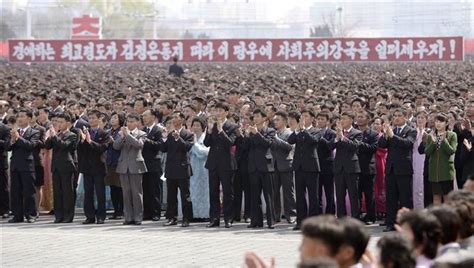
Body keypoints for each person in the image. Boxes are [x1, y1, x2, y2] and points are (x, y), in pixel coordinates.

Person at [378, 108, 417, 232]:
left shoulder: (411, 130)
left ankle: (407, 224)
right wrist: (385, 133)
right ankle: (391, 223)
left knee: (405, 198)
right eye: (394, 116)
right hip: (391, 169)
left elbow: (407, 144)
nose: (396, 118)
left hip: (404, 169)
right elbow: (382, 144)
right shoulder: (391, 130)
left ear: (405, 117)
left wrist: (392, 136)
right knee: (391, 197)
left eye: (399, 115)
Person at [204, 102, 238, 228]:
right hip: (213, 162)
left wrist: (220, 130)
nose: (217, 112)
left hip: (227, 163)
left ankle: (228, 218)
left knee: (228, 192)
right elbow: (207, 143)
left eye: (220, 110)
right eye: (216, 110)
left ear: (226, 112)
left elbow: (230, 143)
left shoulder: (232, 126)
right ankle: (214, 218)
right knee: (213, 192)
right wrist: (208, 130)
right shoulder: (211, 125)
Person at [288, 110, 322, 230]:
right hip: (299, 167)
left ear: (312, 118)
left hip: (312, 167)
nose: (303, 118)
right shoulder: (299, 130)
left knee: (313, 196)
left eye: (306, 116)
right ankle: (300, 221)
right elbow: (290, 140)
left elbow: (314, 141)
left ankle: (313, 223)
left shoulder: (316, 130)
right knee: (300, 195)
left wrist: (303, 130)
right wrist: (298, 129)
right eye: (302, 116)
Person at [113, 113, 148, 225]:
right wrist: (123, 137)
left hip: (136, 166)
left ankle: (138, 217)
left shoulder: (142, 133)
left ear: (137, 122)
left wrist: (128, 136)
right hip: (123, 166)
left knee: (137, 193)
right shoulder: (121, 133)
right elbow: (115, 146)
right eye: (128, 122)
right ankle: (128, 217)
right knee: (126, 193)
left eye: (132, 121)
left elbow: (139, 145)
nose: (130, 124)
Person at [44, 112, 78, 223]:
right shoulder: (56, 135)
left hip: (66, 166)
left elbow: (64, 146)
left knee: (67, 192)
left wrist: (54, 136)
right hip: (56, 167)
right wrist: (51, 136)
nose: (59, 124)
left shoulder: (72, 135)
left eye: (61, 122)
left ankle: (68, 215)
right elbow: (47, 146)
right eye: (57, 122)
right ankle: (59, 215)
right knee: (57, 192)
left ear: (68, 123)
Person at [161, 112, 194, 227]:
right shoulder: (170, 134)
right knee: (171, 195)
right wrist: (164, 138)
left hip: (183, 168)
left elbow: (187, 147)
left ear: (182, 120)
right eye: (172, 118)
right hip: (171, 169)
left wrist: (178, 138)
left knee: (185, 195)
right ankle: (172, 217)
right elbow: (163, 149)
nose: (173, 120)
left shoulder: (188, 134)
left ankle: (186, 218)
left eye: (176, 117)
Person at [8, 108, 40, 223]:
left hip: (27, 166)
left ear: (29, 118)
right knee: (15, 191)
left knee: (29, 191)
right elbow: (7, 147)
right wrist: (12, 140)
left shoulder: (34, 132)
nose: (20, 119)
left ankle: (31, 214)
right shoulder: (13, 131)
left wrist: (18, 138)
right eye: (19, 116)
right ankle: (17, 215)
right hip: (15, 165)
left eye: (22, 116)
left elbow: (31, 145)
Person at [77, 110, 110, 224]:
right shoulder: (85, 132)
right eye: (89, 118)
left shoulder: (104, 133)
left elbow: (102, 148)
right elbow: (81, 150)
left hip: (99, 167)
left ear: (99, 119)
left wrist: (90, 141)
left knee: (100, 193)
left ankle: (101, 216)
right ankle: (89, 216)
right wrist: (82, 141)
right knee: (88, 193)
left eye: (93, 118)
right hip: (87, 167)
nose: (91, 120)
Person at [247, 108, 276, 229]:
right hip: (253, 166)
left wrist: (256, 134)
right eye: (254, 117)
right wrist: (246, 135)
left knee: (268, 195)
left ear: (264, 118)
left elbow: (267, 144)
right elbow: (246, 146)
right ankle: (256, 221)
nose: (255, 119)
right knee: (254, 195)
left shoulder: (270, 130)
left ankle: (271, 221)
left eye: (258, 116)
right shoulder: (250, 131)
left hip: (266, 166)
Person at [331, 111, 363, 219]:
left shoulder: (357, 133)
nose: (342, 121)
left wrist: (343, 138)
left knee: (353, 195)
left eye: (344, 118)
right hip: (339, 168)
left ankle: (355, 218)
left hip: (351, 168)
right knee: (340, 196)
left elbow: (354, 146)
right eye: (341, 119)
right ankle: (341, 218)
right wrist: (337, 137)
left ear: (351, 120)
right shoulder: (338, 132)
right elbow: (330, 146)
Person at [425, 113, 457, 205]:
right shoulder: (431, 135)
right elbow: (427, 152)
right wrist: (433, 143)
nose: (438, 124)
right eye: (436, 121)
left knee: (447, 198)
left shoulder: (452, 135)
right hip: (434, 172)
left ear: (446, 123)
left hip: (446, 172)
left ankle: (447, 219)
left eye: (441, 121)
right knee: (436, 197)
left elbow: (451, 151)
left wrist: (444, 140)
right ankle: (437, 218)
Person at [271, 111, 296, 224]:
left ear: (285, 121)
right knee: (274, 191)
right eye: (274, 120)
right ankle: (276, 215)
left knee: (288, 192)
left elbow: (289, 147)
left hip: (286, 165)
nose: (275, 122)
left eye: (278, 120)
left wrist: (277, 139)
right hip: (274, 166)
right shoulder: (273, 133)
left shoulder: (290, 132)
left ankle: (291, 215)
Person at [141, 109, 164, 221]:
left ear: (153, 117)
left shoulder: (158, 130)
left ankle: (156, 212)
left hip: (154, 164)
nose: (144, 118)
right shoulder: (142, 130)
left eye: (146, 116)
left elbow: (160, 145)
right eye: (143, 116)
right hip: (143, 163)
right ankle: (147, 212)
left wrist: (147, 141)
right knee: (145, 189)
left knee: (155, 189)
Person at [356, 111, 378, 223]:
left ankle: (371, 217)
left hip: (368, 168)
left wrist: (359, 144)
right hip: (355, 168)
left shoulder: (373, 134)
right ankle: (357, 215)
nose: (359, 119)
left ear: (368, 119)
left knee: (369, 195)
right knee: (356, 194)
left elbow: (373, 148)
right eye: (358, 116)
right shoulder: (353, 132)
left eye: (361, 117)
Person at [189, 117, 210, 220]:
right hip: (192, 167)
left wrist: (195, 145)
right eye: (194, 125)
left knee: (204, 191)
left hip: (204, 168)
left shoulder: (206, 138)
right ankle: (194, 214)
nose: (196, 128)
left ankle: (204, 214)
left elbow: (205, 152)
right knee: (193, 190)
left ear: (203, 127)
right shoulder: (190, 138)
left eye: (198, 125)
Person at [315, 112, 336, 215]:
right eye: (318, 119)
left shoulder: (332, 133)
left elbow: (331, 146)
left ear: (327, 121)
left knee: (329, 193)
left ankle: (330, 214)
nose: (319, 121)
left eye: (322, 119)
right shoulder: (313, 132)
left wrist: (321, 138)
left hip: (328, 166)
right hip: (316, 166)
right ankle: (318, 214)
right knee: (317, 193)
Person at [105, 112, 125, 220]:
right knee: (112, 187)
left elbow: (120, 146)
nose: (113, 119)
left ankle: (121, 210)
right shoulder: (108, 132)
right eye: (112, 117)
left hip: (119, 162)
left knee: (119, 188)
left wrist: (113, 142)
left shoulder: (121, 131)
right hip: (110, 162)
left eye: (115, 118)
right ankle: (115, 210)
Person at [373, 117, 387, 219]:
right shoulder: (371, 135)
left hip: (381, 161)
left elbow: (384, 150)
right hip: (372, 161)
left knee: (381, 185)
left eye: (378, 124)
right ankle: (375, 209)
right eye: (374, 123)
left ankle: (383, 209)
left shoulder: (384, 136)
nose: (376, 125)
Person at [0, 120, 10, 218]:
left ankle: (5, 209)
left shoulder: (5, 128)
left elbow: (7, 145)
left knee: (3, 186)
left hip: (1, 162)